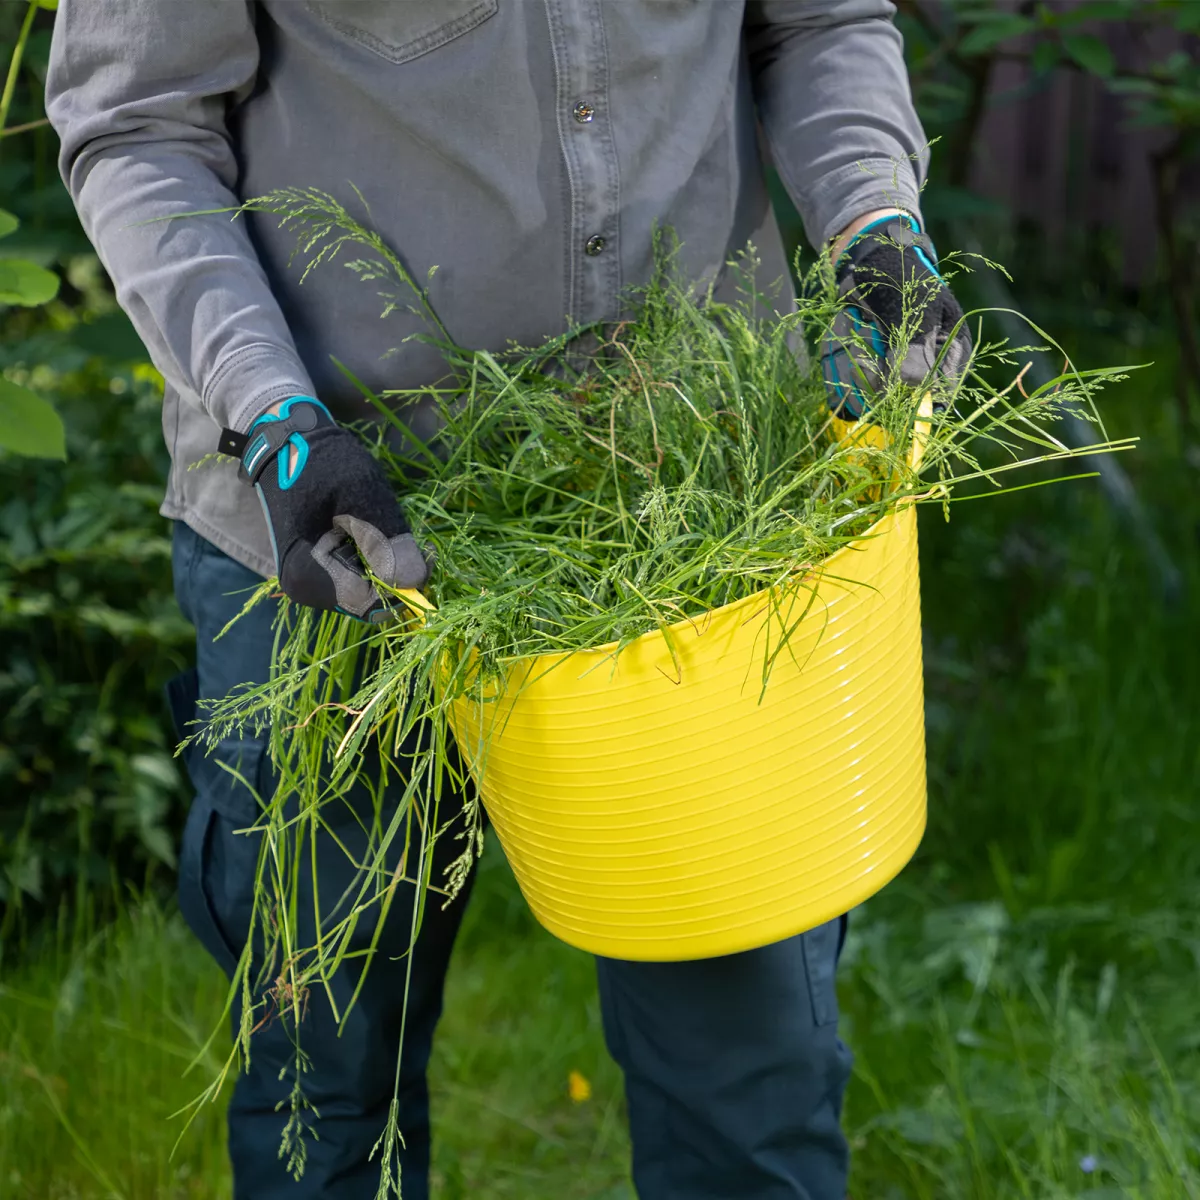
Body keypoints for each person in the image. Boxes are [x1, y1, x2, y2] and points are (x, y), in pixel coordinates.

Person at [47, 3, 967, 1196]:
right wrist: (271, 415)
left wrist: (873, 222)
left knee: (750, 1085)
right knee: (325, 1084)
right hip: (334, 524)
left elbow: (818, 21)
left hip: (691, 516)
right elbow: (136, 123)